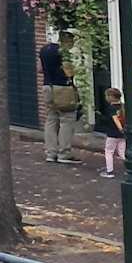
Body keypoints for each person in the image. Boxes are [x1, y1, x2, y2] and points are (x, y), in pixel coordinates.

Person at [40, 29, 79, 164]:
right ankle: (64, 153)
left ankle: (51, 153)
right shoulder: (64, 52)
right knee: (67, 119)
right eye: (71, 41)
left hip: (47, 87)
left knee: (51, 119)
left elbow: (40, 69)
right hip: (62, 88)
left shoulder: (44, 50)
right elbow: (69, 72)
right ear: (66, 40)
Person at [100, 86, 127, 179]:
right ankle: (130, 169)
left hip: (112, 133)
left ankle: (109, 171)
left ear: (110, 97)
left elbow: (115, 119)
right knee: (122, 152)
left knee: (109, 151)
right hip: (122, 134)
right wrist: (123, 131)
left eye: (106, 96)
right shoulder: (123, 106)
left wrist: (120, 128)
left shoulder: (111, 108)